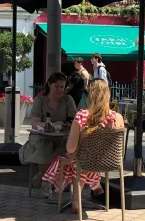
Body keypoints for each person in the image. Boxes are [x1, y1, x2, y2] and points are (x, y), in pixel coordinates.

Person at [42, 80, 123, 213]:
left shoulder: (81, 116)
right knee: (80, 160)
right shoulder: (117, 117)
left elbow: (70, 148)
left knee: (73, 158)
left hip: (84, 162)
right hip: (108, 162)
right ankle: (94, 187)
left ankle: (75, 201)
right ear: (108, 94)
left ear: (90, 95)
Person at [23, 72, 78, 190]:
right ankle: (48, 181)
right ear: (49, 85)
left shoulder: (68, 100)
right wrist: (50, 126)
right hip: (41, 135)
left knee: (69, 147)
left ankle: (47, 178)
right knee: (45, 146)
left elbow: (73, 120)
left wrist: (64, 125)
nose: (59, 90)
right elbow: (35, 123)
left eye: (62, 87)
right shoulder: (40, 100)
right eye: (56, 86)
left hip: (62, 135)